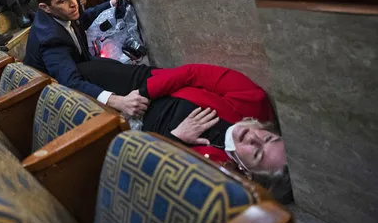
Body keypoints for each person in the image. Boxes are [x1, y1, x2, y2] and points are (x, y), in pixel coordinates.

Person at [76, 60, 287, 175]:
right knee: (84, 71)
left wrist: (176, 138)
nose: (254, 138)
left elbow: (150, 170)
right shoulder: (253, 101)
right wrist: (143, 94)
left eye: (257, 154)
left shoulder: (215, 173)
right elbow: (193, 72)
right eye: (267, 138)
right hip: (146, 89)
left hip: (135, 135)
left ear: (248, 171)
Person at [24, 0, 150, 117]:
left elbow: (83, 18)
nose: (73, 3)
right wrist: (117, 101)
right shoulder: (50, 40)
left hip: (83, 65)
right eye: (63, 0)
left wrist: (112, 3)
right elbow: (70, 83)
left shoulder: (59, 12)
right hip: (57, 100)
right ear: (45, 7)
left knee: (125, 70)